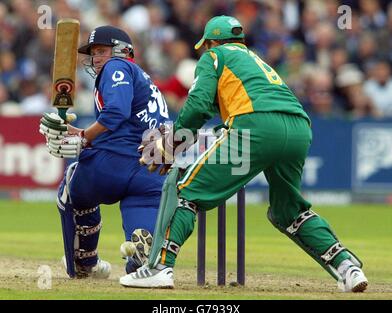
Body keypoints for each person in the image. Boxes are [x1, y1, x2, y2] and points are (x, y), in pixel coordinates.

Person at [119, 16, 368, 292]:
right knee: (288, 211)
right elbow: (217, 105)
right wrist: (179, 141)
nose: (205, 50)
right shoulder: (254, 60)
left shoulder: (214, 56)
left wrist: (173, 142)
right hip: (299, 127)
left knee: (184, 192)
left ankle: (158, 268)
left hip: (254, 127)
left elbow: (199, 105)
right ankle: (348, 268)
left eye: (206, 46)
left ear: (212, 42)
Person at [39, 25, 169, 278]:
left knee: (72, 184)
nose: (95, 58)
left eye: (101, 50)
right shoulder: (146, 80)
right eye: (93, 53)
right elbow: (127, 123)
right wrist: (75, 132)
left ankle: (85, 263)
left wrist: (85, 137)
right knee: (141, 244)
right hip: (153, 171)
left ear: (122, 51)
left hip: (114, 164)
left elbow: (116, 112)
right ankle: (139, 260)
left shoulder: (116, 67)